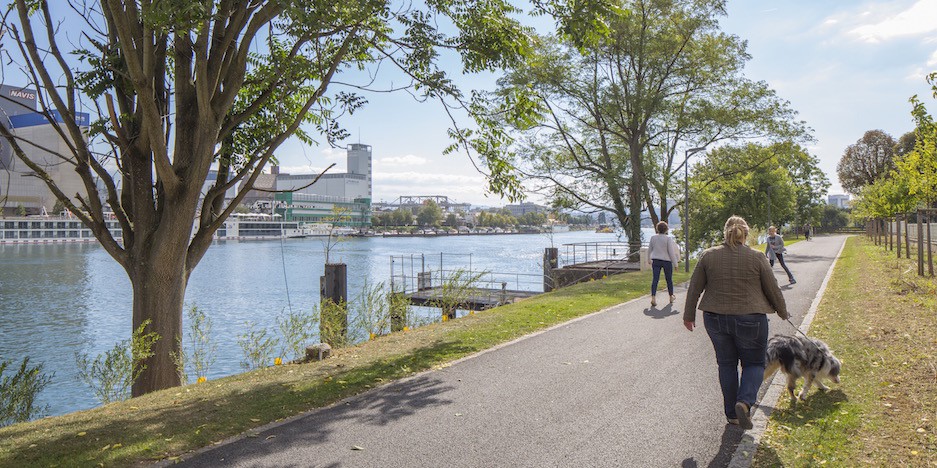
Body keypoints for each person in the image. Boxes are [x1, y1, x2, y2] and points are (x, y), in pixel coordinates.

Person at [683, 216, 790, 430]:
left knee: (726, 364)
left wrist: (689, 315)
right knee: (754, 363)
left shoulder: (708, 256)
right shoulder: (757, 257)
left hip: (715, 318)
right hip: (752, 319)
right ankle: (745, 401)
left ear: (726, 232)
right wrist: (782, 311)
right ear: (746, 234)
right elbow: (772, 287)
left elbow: (695, 287)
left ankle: (732, 414)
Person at [647, 221, 681, 307]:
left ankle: (653, 297)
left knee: (655, 279)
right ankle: (671, 296)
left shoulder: (653, 238)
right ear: (666, 229)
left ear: (657, 229)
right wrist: (676, 264)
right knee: (669, 279)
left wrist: (648, 259)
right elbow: (671, 252)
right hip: (666, 261)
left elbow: (649, 249)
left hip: (656, 260)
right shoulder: (668, 239)